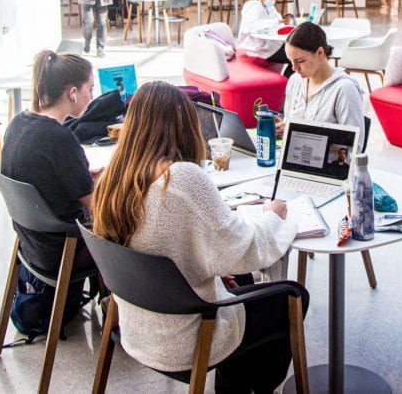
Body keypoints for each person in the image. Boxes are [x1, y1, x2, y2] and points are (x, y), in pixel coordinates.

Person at [92, 82, 306, 393]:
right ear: (184, 124)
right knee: (291, 297)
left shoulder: (115, 178)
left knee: (242, 280)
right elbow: (245, 249)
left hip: (139, 326)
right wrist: (273, 215)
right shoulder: (180, 178)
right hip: (188, 335)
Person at [1, 51, 101, 275]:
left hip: (32, 244)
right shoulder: (59, 139)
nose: (92, 97)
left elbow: (44, 178)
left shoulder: (18, 123)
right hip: (66, 249)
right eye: (90, 89)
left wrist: (82, 178)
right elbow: (97, 208)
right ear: (73, 93)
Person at [276, 22, 366, 150]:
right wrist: (284, 128)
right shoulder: (295, 81)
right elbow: (291, 125)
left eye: (300, 61)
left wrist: (299, 134)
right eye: (290, 61)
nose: (294, 68)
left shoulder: (345, 89)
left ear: (320, 53)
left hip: (324, 168)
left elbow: (354, 148)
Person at [237, 0, 295, 73]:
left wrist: (284, 21)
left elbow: (278, 21)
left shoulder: (270, 7)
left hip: (271, 45)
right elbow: (253, 26)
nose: (273, 0)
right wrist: (276, 22)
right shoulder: (253, 7)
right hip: (258, 49)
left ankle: (287, 82)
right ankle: (287, 83)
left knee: (298, 50)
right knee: (295, 57)